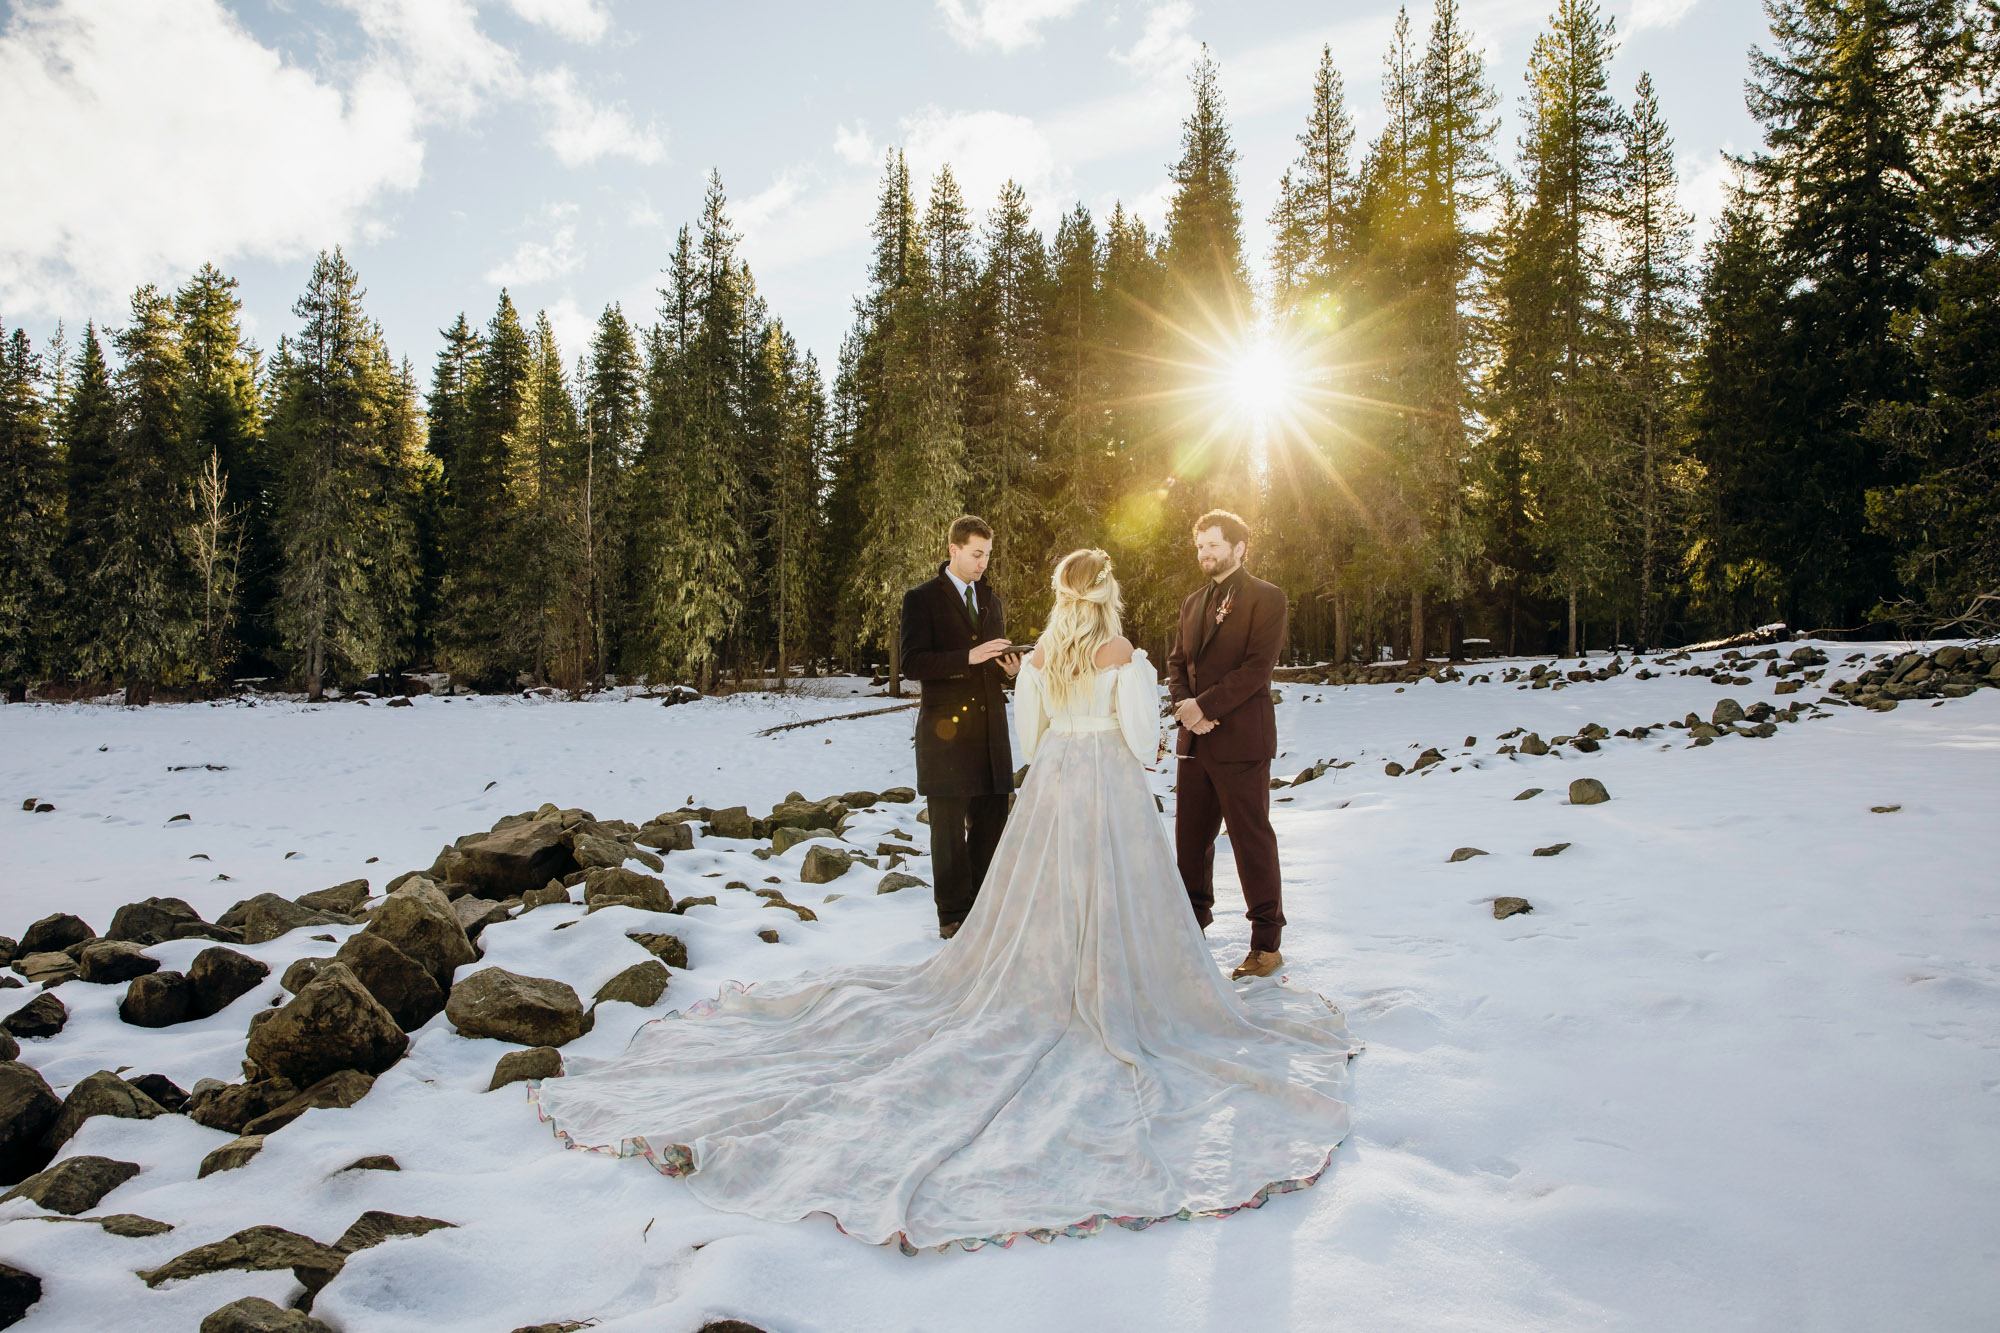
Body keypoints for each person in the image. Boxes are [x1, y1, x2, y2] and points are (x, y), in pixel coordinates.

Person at [528, 548, 1357, 1255]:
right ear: (1104, 593)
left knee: (1038, 893)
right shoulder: (1119, 653)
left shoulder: (1041, 657)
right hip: (1102, 775)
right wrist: (1121, 736)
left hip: (1055, 783)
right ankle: (1116, 982)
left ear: (1063, 594)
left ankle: (1051, 977)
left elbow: (1029, 731)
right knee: (1120, 887)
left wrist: (1059, 736)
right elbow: (1143, 735)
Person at [1166, 509, 1290, 980]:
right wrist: (1185, 708)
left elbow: (1257, 668)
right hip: (1195, 741)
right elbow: (1177, 662)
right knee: (1190, 844)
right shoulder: (1193, 602)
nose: (1205, 553)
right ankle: (1191, 932)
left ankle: (1266, 945)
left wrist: (1206, 708)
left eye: (1214, 545)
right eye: (1201, 546)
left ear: (1239, 548)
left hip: (1241, 740)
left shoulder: (1267, 598)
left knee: (1250, 839)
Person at [896, 515, 1019, 938]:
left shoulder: (992, 602)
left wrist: (1011, 670)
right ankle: (952, 916)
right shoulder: (921, 599)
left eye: (987, 555)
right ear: (954, 550)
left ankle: (984, 911)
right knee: (947, 829)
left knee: (991, 823)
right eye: (976, 554)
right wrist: (968, 657)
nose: (983, 563)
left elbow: (994, 664)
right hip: (945, 732)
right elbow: (912, 663)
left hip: (989, 730)